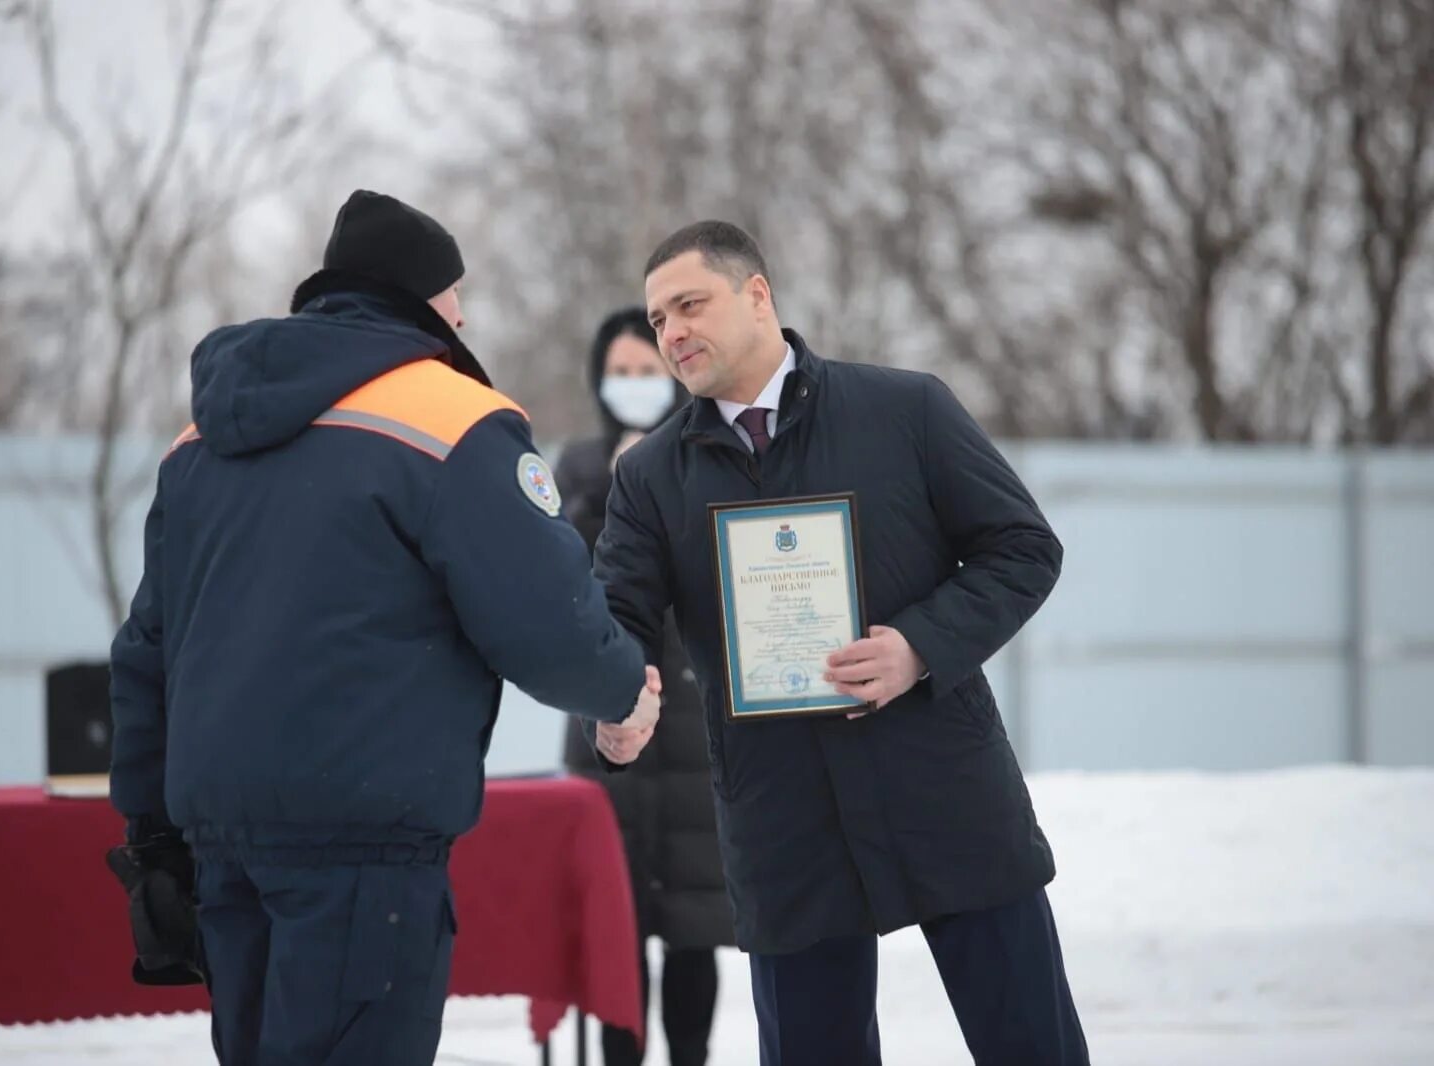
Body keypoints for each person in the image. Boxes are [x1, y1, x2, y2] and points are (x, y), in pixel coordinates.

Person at [105, 189, 661, 1066]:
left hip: (220, 849)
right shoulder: (448, 417)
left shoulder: (200, 438)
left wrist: (149, 833)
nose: (465, 314)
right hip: (361, 848)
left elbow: (146, 650)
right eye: (454, 293)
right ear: (417, 297)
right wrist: (624, 687)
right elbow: (543, 614)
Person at [592, 221, 1088, 1066]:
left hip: (944, 788)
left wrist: (919, 646)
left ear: (756, 297)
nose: (669, 333)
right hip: (782, 819)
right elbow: (619, 619)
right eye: (658, 317)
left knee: (1030, 1044)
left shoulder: (906, 410)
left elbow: (1024, 549)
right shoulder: (648, 477)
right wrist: (619, 698)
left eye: (688, 305)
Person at [557, 308, 733, 1066]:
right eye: (621, 373)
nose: (635, 386)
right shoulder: (577, 467)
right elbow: (566, 577)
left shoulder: (710, 456)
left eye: (648, 371)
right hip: (611, 726)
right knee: (613, 930)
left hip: (696, 722)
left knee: (696, 927)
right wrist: (613, 492)